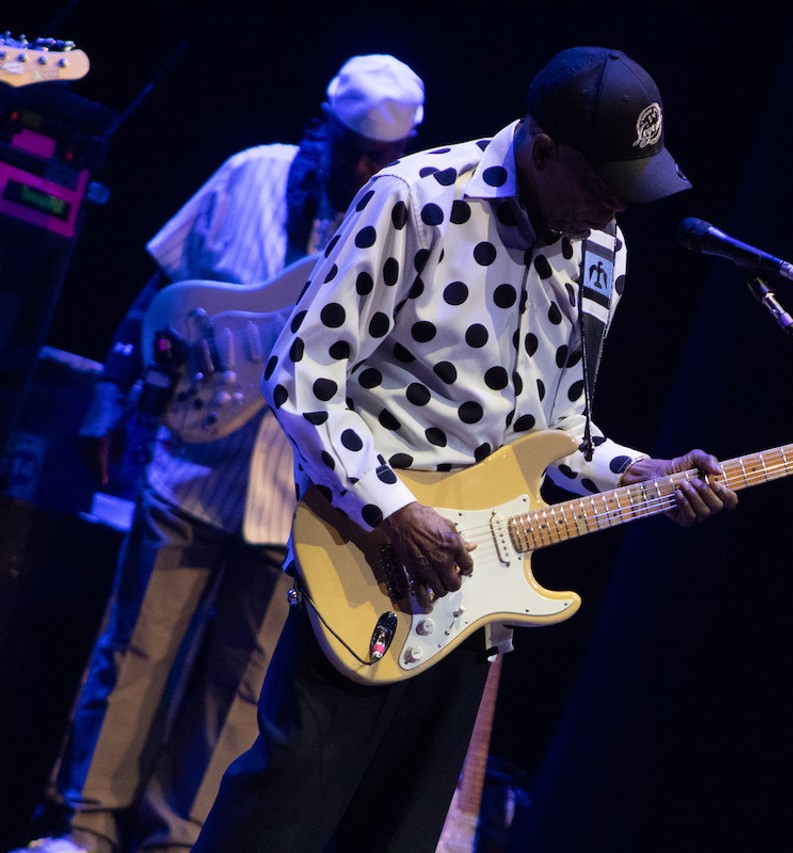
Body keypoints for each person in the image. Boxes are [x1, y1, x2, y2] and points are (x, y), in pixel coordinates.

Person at [190, 46, 737, 852]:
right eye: (601, 186)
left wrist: (644, 473)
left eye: (630, 192)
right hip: (370, 557)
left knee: (398, 833)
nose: (616, 210)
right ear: (542, 149)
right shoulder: (416, 200)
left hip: (475, 592)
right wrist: (396, 511)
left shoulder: (602, 255)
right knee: (282, 814)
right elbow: (302, 371)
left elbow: (562, 433)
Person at [13, 55, 426, 853]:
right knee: (132, 651)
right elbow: (162, 285)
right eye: (354, 150)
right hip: (190, 468)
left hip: (301, 499)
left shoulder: (406, 234)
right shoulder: (250, 174)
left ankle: (173, 841)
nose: (366, 168)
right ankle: (81, 829)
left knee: (237, 689)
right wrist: (109, 395)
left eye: (385, 157)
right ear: (324, 129)